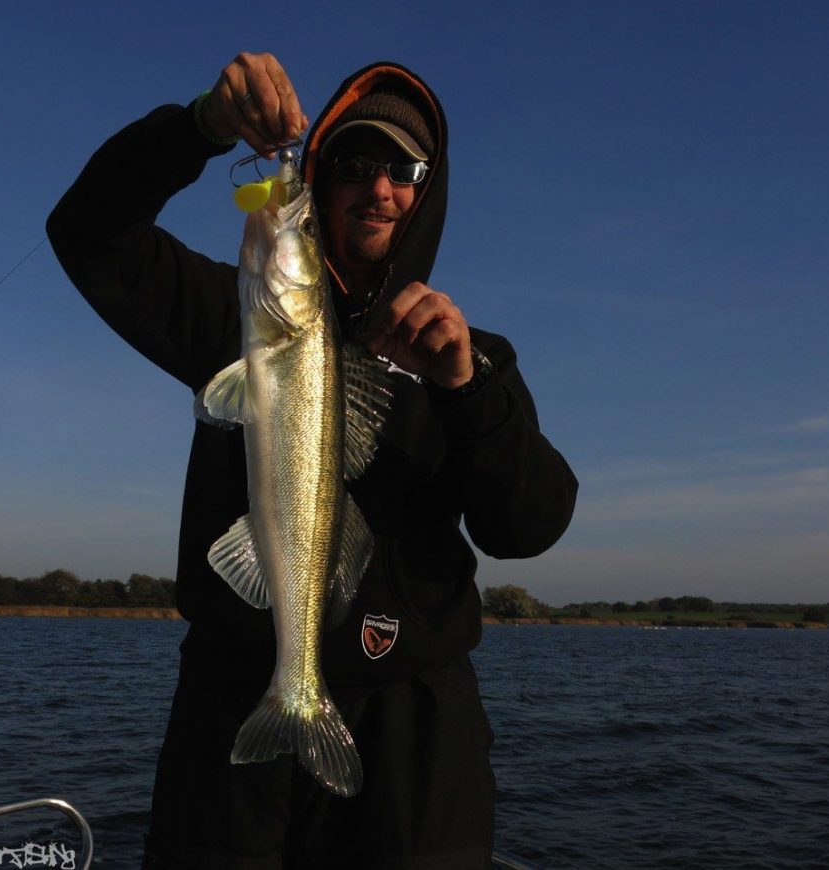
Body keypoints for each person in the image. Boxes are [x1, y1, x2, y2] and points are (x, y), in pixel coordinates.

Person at [47, 52, 578, 870]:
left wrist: (468, 391)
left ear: (427, 191)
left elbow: (529, 526)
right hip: (231, 710)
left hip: (413, 735)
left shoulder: (473, 360)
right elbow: (88, 233)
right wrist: (198, 127)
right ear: (323, 180)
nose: (380, 188)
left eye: (404, 170)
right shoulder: (233, 320)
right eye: (356, 165)